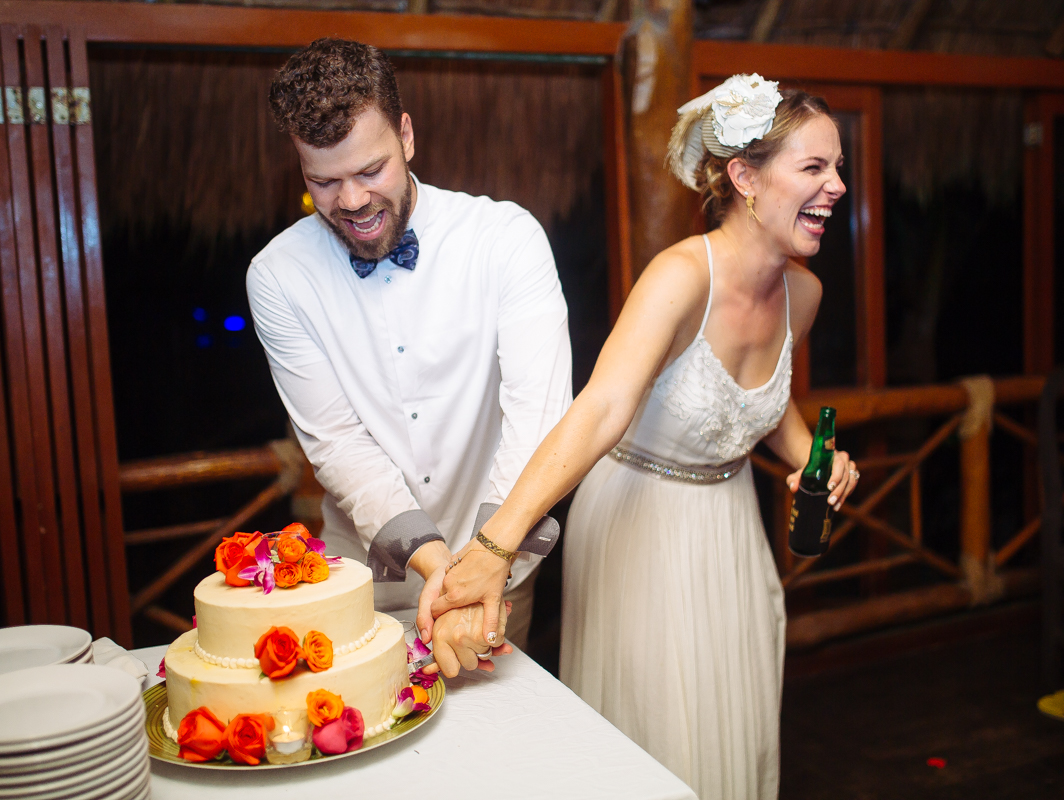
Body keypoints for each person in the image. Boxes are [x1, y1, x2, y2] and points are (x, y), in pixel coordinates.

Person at [428, 75, 860, 798]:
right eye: (815, 167)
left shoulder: (805, 295)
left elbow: (765, 405)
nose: (839, 186)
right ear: (745, 177)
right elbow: (599, 407)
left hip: (729, 523)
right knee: (658, 720)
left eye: (838, 167)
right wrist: (495, 546)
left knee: (732, 700)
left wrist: (817, 456)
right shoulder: (680, 277)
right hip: (639, 516)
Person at [247, 38, 573, 677]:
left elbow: (537, 415)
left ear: (407, 135)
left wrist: (483, 562)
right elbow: (338, 444)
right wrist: (439, 566)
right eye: (324, 181)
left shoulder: (505, 239)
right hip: (357, 581)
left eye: (371, 171)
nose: (351, 201)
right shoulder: (277, 275)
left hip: (499, 575)